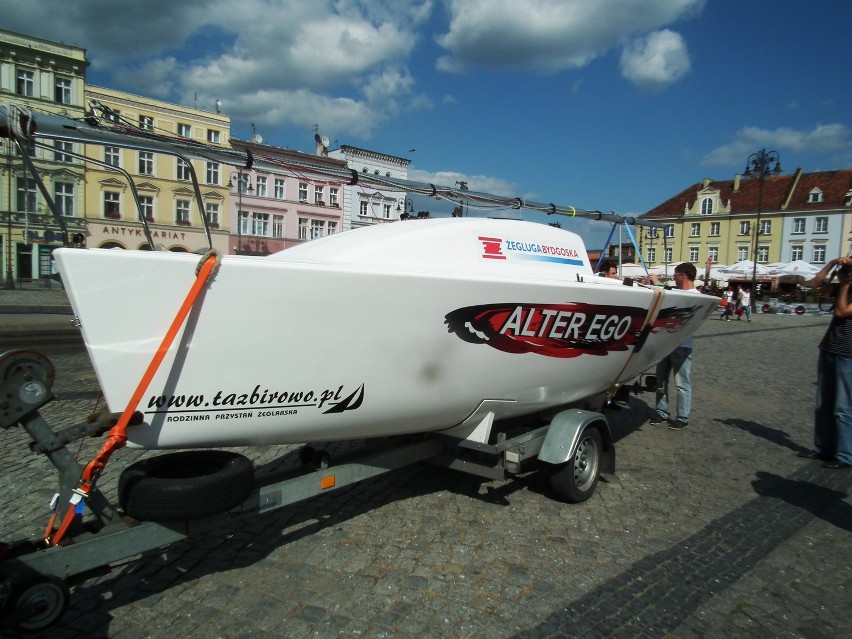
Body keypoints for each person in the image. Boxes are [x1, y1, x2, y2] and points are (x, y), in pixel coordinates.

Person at [799, 257, 852, 469]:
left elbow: (841, 312)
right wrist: (831, 265)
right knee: (823, 404)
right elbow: (814, 285)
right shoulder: (843, 287)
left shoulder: (846, 290)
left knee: (843, 407)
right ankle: (824, 449)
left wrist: (846, 285)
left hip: (848, 354)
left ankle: (845, 455)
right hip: (830, 347)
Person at [650, 262, 703, 430]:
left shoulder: (697, 296)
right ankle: (661, 412)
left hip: (682, 346)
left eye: (676, 274)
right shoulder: (679, 292)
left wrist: (659, 284)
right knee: (661, 380)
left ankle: (682, 417)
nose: (674, 277)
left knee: (682, 383)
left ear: (684, 276)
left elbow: (682, 304)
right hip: (665, 344)